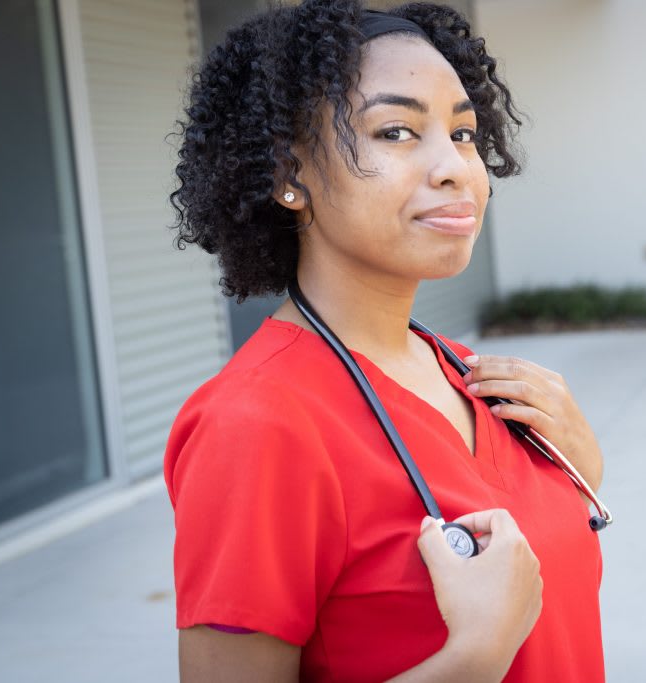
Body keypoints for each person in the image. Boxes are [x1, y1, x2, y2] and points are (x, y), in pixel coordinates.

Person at [164, 2, 606, 681]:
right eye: (396, 131)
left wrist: (580, 479)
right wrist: (471, 659)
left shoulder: (474, 378)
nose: (457, 167)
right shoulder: (257, 425)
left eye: (463, 132)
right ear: (289, 175)